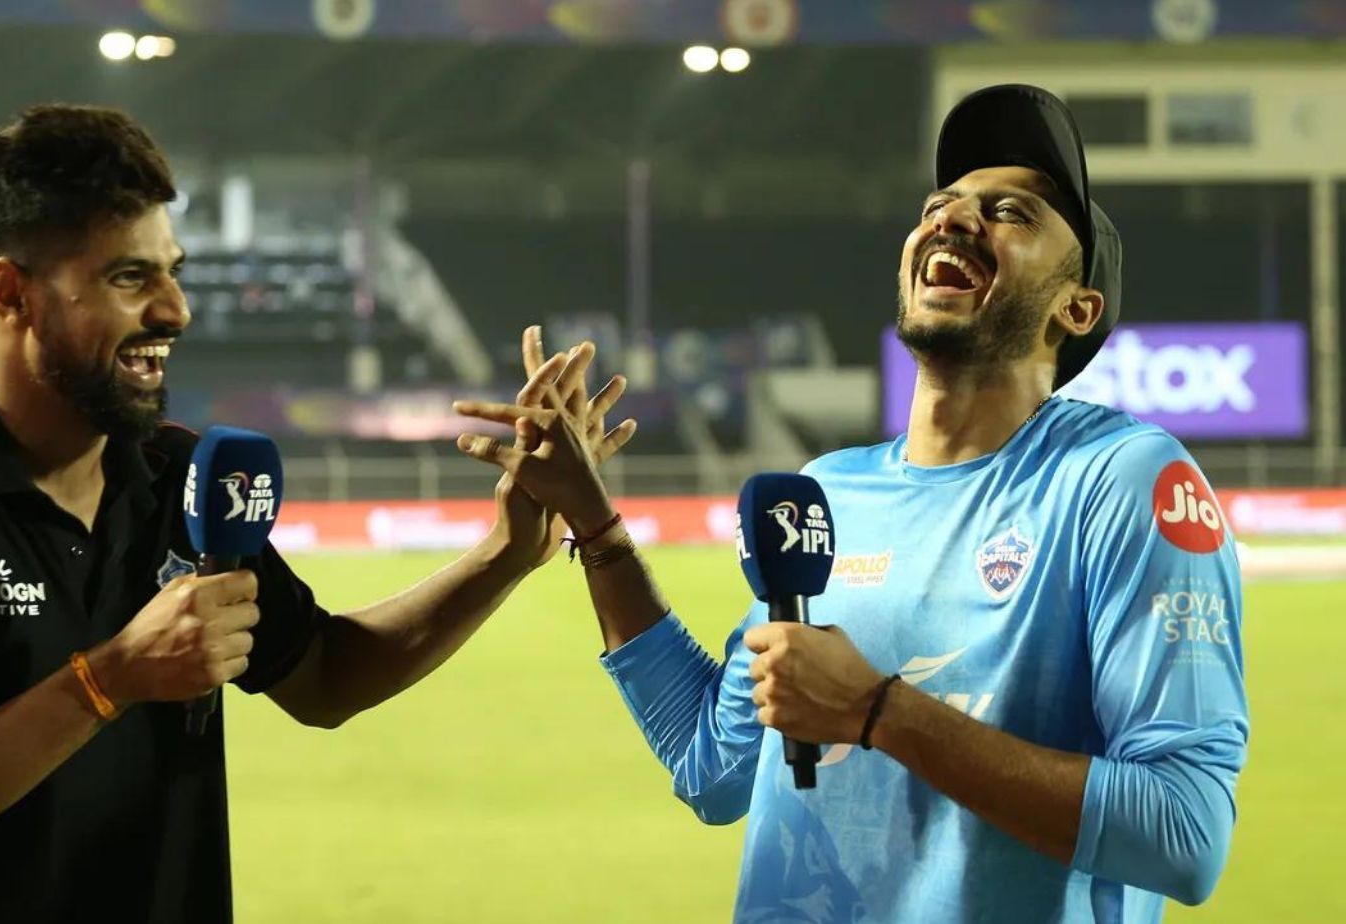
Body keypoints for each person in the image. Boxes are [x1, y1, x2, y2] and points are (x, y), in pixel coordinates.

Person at [0, 104, 631, 924]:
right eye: (129, 277)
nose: (174, 310)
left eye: (173, 271)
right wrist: (111, 676)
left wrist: (507, 553)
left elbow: (325, 677)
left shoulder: (185, 477)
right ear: (13, 293)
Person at [455, 84, 1248, 923]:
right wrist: (596, 526)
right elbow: (715, 768)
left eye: (1011, 212)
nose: (953, 218)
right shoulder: (828, 491)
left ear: (1075, 307)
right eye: (940, 204)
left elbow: (1184, 835)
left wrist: (880, 711)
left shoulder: (1121, 480)